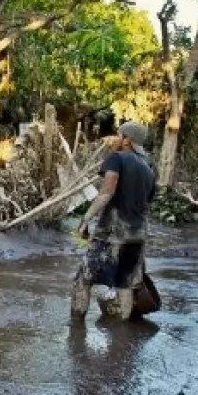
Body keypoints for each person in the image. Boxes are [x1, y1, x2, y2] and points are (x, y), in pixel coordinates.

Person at [72, 120, 158, 320]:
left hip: (112, 232)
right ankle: (122, 341)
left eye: (120, 135)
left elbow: (106, 192)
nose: (117, 139)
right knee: (125, 285)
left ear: (127, 140)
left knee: (82, 280)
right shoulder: (149, 168)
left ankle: (75, 332)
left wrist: (86, 218)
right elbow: (148, 202)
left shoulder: (116, 158)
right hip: (137, 235)